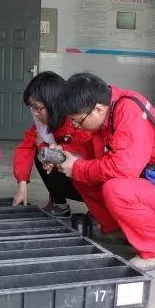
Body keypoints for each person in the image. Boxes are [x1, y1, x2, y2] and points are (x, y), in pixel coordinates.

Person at [51, 72, 155, 271]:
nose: (75, 126)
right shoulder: (108, 112)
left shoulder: (128, 110)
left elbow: (123, 168)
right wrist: (66, 154)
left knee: (115, 189)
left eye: (77, 121)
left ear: (97, 109)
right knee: (81, 173)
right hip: (152, 189)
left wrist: (78, 166)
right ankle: (118, 229)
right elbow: (90, 153)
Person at [12, 71, 90, 216]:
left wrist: (50, 148)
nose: (35, 113)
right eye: (32, 107)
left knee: (47, 152)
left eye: (38, 108)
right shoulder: (41, 126)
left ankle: (97, 208)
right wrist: (21, 184)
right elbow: (24, 149)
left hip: (89, 182)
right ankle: (59, 204)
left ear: (54, 104)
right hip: (70, 179)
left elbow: (85, 150)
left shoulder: (79, 121)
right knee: (42, 154)